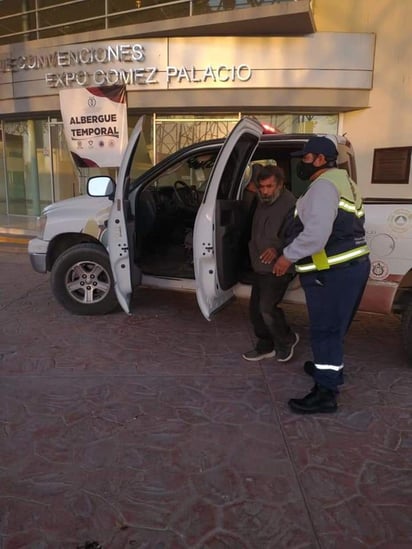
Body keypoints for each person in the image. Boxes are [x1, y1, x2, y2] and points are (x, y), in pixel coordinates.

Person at [272, 136, 370, 414]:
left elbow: (315, 236)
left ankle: (325, 392)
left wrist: (286, 257)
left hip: (333, 273)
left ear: (318, 159)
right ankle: (326, 369)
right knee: (334, 329)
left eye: (304, 158)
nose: (301, 163)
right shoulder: (345, 182)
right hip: (350, 268)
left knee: (325, 331)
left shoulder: (324, 187)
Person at [242, 164, 299, 363]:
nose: (265, 191)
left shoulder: (291, 204)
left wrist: (278, 249)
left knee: (267, 308)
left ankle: (286, 340)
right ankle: (265, 346)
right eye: (262, 187)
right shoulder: (262, 199)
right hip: (260, 265)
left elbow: (297, 235)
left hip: (280, 264)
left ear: (280, 184)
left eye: (269, 186)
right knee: (255, 310)